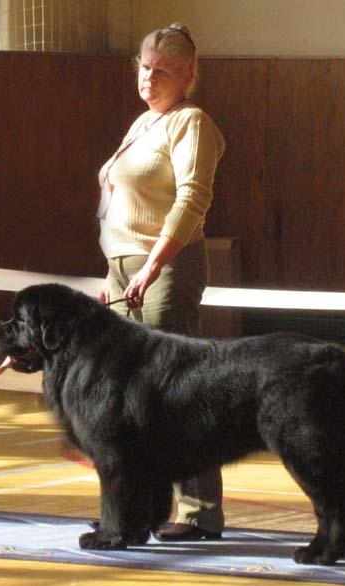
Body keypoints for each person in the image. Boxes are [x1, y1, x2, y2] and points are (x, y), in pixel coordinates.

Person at [97, 23, 226, 541]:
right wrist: (112, 269)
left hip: (167, 268)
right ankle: (135, 510)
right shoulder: (141, 124)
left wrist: (151, 267)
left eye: (162, 72)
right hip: (124, 270)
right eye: (144, 67)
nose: (148, 78)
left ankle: (198, 512)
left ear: (189, 76)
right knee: (129, 398)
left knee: (176, 393)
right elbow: (115, 204)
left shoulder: (192, 123)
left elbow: (193, 200)